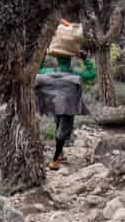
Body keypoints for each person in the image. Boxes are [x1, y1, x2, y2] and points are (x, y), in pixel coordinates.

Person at [33, 39, 94, 170]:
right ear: (70, 60)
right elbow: (91, 74)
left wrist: (42, 57)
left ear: (57, 60)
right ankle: (55, 160)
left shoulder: (49, 72)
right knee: (62, 133)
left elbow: (36, 70)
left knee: (58, 129)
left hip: (54, 105)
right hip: (67, 107)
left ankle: (59, 154)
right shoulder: (74, 73)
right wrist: (86, 59)